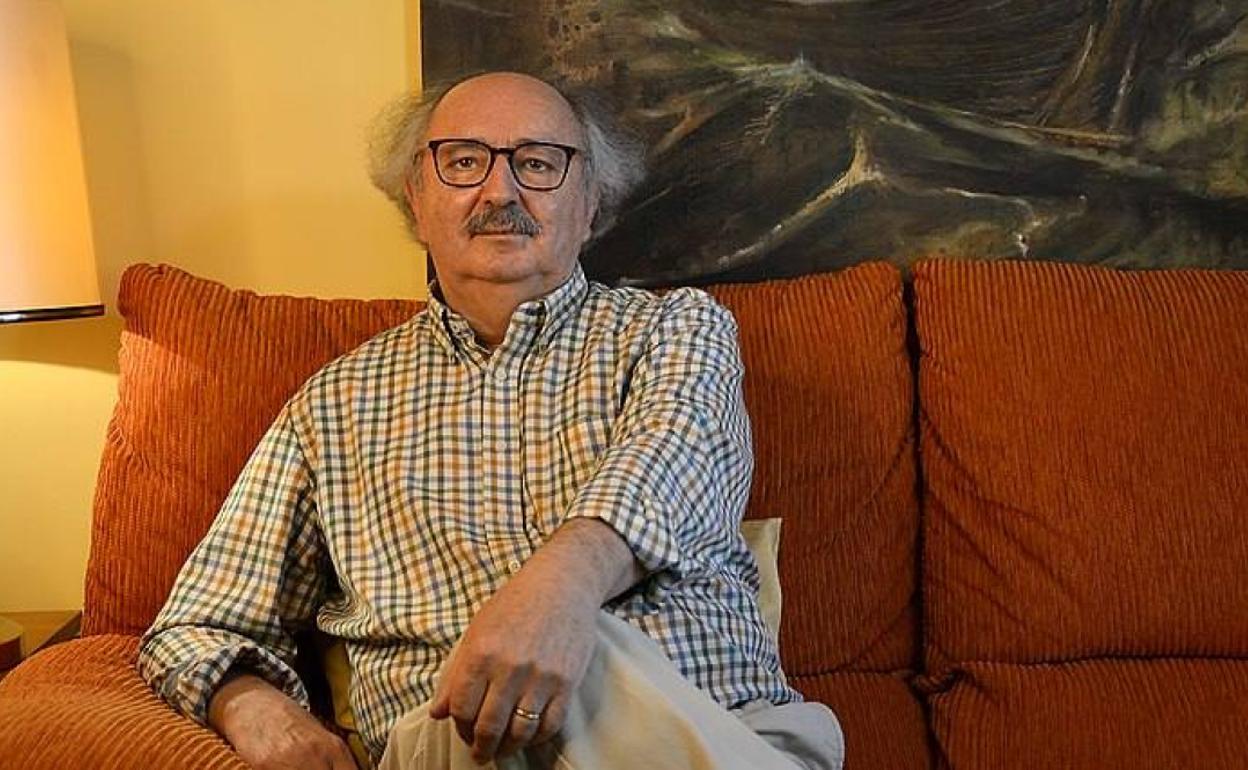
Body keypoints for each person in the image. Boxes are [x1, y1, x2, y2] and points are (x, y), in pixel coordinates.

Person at [138, 71, 844, 770]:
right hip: (459, 746)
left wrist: (559, 598)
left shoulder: (677, 332)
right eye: (464, 161)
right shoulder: (333, 405)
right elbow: (195, 623)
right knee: (489, 699)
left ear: (589, 202)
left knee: (597, 651)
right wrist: (253, 708)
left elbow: (674, 461)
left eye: (537, 163)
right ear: (416, 200)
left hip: (718, 725)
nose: (500, 192)